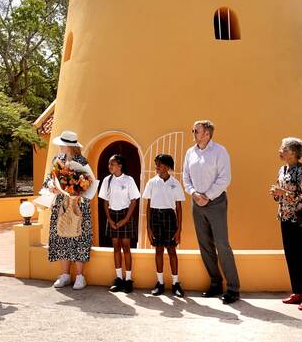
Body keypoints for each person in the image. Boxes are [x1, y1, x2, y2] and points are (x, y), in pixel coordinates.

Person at [182, 120, 241, 304]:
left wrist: (207, 196)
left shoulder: (220, 151)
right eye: (193, 130)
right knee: (205, 245)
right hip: (196, 203)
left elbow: (225, 178)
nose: (193, 132)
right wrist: (193, 193)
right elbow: (185, 177)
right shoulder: (190, 152)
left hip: (216, 202)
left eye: (196, 130)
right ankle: (216, 283)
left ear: (207, 133)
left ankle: (233, 288)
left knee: (222, 245)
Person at [44, 130, 98, 290]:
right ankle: (65, 275)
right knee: (62, 236)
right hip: (61, 203)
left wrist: (76, 191)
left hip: (77, 203)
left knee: (78, 237)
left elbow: (89, 182)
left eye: (62, 144)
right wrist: (51, 186)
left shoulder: (82, 161)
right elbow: (49, 177)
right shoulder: (57, 159)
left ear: (69, 145)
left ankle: (80, 277)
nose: (60, 146)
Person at [269, 137, 302, 311]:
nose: (280, 151)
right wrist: (276, 193)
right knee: (291, 255)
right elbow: (279, 194)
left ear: (294, 152)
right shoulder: (282, 169)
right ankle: (298, 291)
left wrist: (286, 193)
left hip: (301, 219)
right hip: (285, 217)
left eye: (284, 148)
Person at [142, 153, 186, 297]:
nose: (157, 167)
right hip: (155, 217)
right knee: (158, 250)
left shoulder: (175, 183)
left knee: (172, 251)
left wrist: (179, 229)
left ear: (167, 167)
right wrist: (148, 228)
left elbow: (178, 208)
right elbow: (148, 206)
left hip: (169, 217)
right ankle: (160, 283)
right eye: (156, 164)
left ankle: (176, 283)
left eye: (159, 164)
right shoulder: (151, 182)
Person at [99, 154, 140, 293]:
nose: (110, 166)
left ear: (120, 165)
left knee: (126, 247)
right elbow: (105, 201)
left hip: (125, 215)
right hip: (112, 215)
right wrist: (109, 219)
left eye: (112, 164)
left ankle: (128, 280)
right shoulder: (107, 180)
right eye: (109, 164)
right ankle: (118, 279)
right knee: (116, 247)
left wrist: (126, 219)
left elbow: (134, 201)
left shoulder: (129, 180)